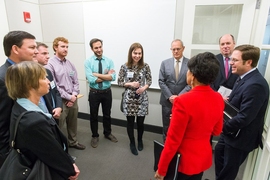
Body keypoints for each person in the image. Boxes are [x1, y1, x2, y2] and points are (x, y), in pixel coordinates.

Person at [155, 52, 224, 180]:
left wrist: (162, 168)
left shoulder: (182, 101)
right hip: (202, 159)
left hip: (184, 162)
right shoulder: (218, 98)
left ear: (193, 76)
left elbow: (172, 141)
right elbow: (217, 130)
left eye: (188, 71)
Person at [5, 61, 80, 179]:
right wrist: (69, 169)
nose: (48, 81)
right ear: (30, 84)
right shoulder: (34, 122)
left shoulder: (20, 106)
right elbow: (52, 153)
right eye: (43, 78)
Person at [215, 45, 269, 180]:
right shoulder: (242, 78)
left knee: (228, 172)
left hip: (239, 139)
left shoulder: (256, 85)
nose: (231, 63)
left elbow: (244, 117)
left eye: (235, 60)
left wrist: (220, 128)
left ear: (249, 62)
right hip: (229, 133)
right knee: (219, 157)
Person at [0, 30, 38, 167]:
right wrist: (7, 155)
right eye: (32, 47)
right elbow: (2, 121)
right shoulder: (3, 78)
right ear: (15, 49)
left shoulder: (24, 72)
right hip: (14, 150)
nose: (36, 51)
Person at [46, 37, 85, 150]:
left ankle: (73, 142)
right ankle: (59, 147)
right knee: (59, 125)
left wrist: (74, 96)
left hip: (73, 98)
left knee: (73, 122)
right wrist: (69, 97)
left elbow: (76, 81)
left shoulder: (70, 64)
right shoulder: (50, 64)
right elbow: (54, 85)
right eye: (63, 46)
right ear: (55, 47)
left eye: (67, 47)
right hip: (61, 100)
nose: (66, 49)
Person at [118, 43, 152, 155]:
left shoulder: (146, 66)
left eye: (139, 53)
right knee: (130, 122)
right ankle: (132, 143)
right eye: (135, 53)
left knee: (141, 123)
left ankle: (140, 140)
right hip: (129, 99)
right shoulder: (125, 66)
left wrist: (144, 88)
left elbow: (149, 81)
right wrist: (130, 83)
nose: (137, 55)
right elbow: (119, 82)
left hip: (142, 98)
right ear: (130, 53)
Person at [84, 38, 118, 148]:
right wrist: (105, 76)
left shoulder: (109, 61)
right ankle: (95, 135)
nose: (99, 49)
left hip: (107, 92)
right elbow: (91, 79)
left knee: (107, 114)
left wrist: (97, 75)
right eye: (96, 48)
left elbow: (112, 77)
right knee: (93, 115)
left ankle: (107, 133)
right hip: (94, 93)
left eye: (100, 47)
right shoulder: (88, 62)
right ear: (92, 49)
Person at [158, 39, 189, 141]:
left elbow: (191, 83)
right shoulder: (164, 63)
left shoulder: (190, 63)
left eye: (178, 49)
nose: (175, 51)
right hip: (167, 101)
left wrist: (179, 97)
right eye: (173, 49)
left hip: (183, 102)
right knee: (166, 126)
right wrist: (171, 96)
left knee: (181, 126)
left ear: (183, 49)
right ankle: (166, 146)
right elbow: (161, 81)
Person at [34, 42, 62, 124]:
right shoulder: (30, 77)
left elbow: (56, 91)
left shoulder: (48, 72)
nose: (48, 56)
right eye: (44, 53)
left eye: (48, 53)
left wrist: (59, 107)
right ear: (34, 54)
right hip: (43, 117)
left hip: (55, 113)